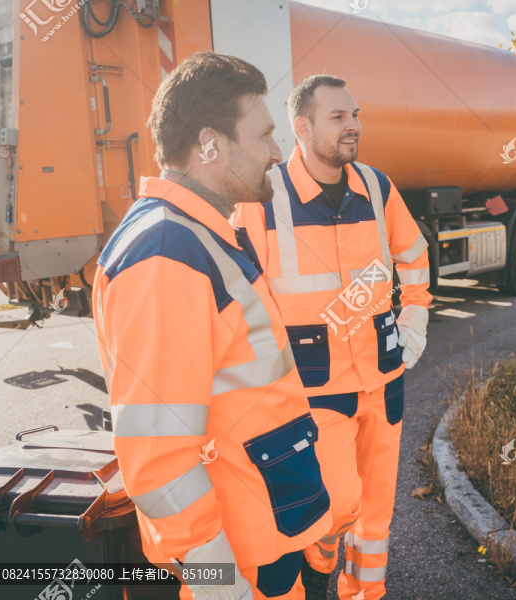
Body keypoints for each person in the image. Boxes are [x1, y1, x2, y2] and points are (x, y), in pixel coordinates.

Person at [92, 52, 332, 600]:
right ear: (210, 144)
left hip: (268, 535)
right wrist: (219, 582)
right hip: (243, 563)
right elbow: (157, 455)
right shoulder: (165, 253)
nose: (278, 154)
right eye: (265, 135)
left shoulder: (195, 236)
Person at [233, 74, 432, 600]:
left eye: (355, 115)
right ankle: (320, 572)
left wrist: (413, 323)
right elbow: (245, 294)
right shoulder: (264, 196)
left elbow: (412, 255)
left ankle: (364, 593)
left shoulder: (376, 186)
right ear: (302, 127)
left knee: (376, 508)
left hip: (383, 379)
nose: (353, 126)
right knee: (338, 503)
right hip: (316, 388)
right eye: (338, 117)